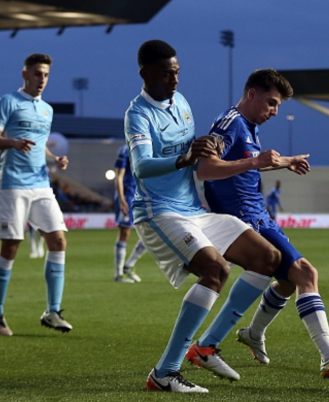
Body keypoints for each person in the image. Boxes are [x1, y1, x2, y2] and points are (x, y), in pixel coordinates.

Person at [125, 40, 281, 393]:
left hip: (193, 210)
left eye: (177, 72)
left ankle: (208, 346)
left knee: (267, 258)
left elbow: (195, 154)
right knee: (216, 269)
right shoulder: (138, 114)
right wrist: (183, 158)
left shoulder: (181, 103)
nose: (175, 80)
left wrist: (208, 146)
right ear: (145, 74)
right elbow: (142, 166)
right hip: (158, 212)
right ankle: (165, 372)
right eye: (167, 73)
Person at [192, 68, 329, 380]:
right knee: (305, 273)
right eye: (271, 103)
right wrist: (257, 161)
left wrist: (284, 162)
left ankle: (251, 333)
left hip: (259, 216)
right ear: (251, 94)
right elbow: (206, 169)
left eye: (277, 106)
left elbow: (245, 169)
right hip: (244, 220)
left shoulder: (248, 126)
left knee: (287, 281)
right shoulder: (230, 122)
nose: (274, 111)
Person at [0, 53, 72, 336]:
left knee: (58, 241)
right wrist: (12, 141)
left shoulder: (47, 110)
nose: (41, 79)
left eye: (45, 74)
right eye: (37, 73)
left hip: (41, 184)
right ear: (25, 75)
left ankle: (53, 311)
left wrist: (54, 159)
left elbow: (40, 146)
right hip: (12, 184)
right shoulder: (7, 102)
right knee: (10, 247)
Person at [113, 144, 147, 283]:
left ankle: (129, 265)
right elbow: (119, 176)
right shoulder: (125, 149)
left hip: (144, 196)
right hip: (127, 195)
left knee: (151, 233)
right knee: (125, 233)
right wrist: (121, 198)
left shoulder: (149, 147)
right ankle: (118, 274)